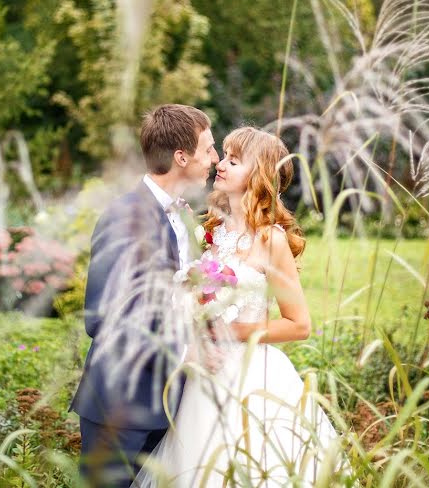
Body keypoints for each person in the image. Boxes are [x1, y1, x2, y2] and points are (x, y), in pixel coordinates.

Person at [134, 127, 344, 487]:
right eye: (224, 155)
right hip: (204, 375)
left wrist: (230, 331)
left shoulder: (271, 239)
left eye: (234, 159)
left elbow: (299, 325)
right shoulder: (212, 231)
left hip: (251, 377)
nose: (221, 164)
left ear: (258, 174)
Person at [69, 104, 219, 486]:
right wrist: (186, 353)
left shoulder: (186, 219)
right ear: (181, 157)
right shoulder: (125, 217)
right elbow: (102, 318)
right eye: (208, 149)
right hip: (123, 409)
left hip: (174, 406)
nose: (215, 160)